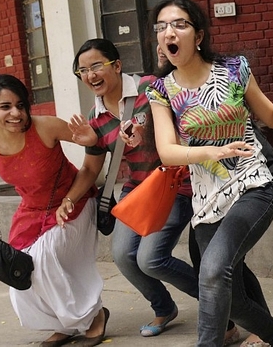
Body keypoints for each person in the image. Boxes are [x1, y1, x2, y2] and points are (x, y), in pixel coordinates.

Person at [146, 0, 273, 347]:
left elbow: (271, 116)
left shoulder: (233, 69)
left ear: (198, 36)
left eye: (179, 24)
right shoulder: (161, 91)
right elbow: (167, 151)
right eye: (162, 26)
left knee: (213, 270)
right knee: (232, 295)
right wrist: (211, 151)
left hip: (252, 182)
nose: (169, 31)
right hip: (207, 197)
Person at [63, 38, 210, 339]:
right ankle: (164, 308)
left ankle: (221, 303)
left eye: (96, 66)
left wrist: (148, 132)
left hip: (176, 183)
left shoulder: (151, 88)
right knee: (124, 256)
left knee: (151, 259)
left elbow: (185, 127)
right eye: (82, 71)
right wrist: (69, 197)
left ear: (116, 66)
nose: (90, 75)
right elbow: (92, 168)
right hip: (139, 189)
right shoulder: (95, 118)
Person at [0, 74, 107, 347]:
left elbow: (96, 147)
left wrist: (72, 194)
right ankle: (63, 324)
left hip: (73, 203)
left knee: (44, 262)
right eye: (5, 106)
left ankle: (94, 316)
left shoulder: (46, 127)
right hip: (31, 212)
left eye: (20, 105)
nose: (16, 113)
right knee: (17, 269)